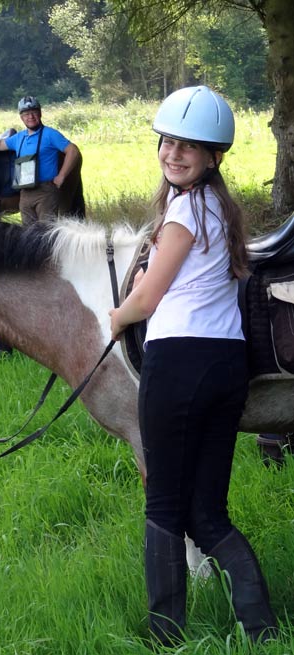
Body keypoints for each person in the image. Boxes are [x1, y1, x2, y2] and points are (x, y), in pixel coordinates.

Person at [109, 86, 278, 645]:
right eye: (169, 142)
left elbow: (147, 299)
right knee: (207, 512)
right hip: (226, 363)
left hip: (178, 361)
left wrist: (117, 316)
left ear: (213, 157)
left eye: (190, 146)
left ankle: (165, 636)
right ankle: (262, 629)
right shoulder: (220, 209)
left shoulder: (183, 209)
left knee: (163, 504)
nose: (174, 153)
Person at [0, 96, 81, 225]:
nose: (30, 116)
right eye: (26, 114)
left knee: (46, 231)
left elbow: (73, 151)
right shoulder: (19, 137)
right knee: (28, 233)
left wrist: (62, 176)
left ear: (40, 113)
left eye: (34, 112)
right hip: (25, 193)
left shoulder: (50, 134)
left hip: (45, 190)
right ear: (21, 117)